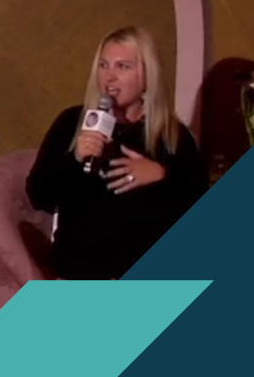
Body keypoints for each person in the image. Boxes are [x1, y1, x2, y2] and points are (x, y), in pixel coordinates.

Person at [26, 25, 207, 279]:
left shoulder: (171, 135)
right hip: (81, 275)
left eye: (123, 66)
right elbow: (38, 195)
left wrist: (162, 177)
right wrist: (74, 159)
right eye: (103, 65)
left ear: (147, 77)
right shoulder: (72, 123)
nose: (109, 77)